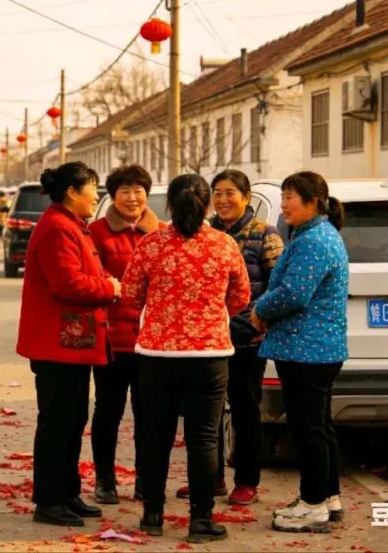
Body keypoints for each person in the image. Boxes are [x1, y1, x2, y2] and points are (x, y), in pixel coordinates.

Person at [121, 173, 250, 542]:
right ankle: (201, 520)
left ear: (169, 205)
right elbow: (240, 297)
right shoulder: (224, 244)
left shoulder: (150, 244)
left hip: (157, 355)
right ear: (207, 205)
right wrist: (210, 313)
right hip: (209, 355)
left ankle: (152, 515)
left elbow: (130, 295)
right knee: (204, 438)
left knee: (156, 435)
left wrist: (161, 310)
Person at [17, 162, 121, 528]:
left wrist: (106, 279)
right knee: (57, 424)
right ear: (72, 192)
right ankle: (49, 500)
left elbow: (85, 271)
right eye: (92, 187)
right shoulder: (57, 228)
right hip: (56, 345)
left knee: (73, 420)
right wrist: (109, 288)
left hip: (72, 343)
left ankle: (67, 493)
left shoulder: (72, 225)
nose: (97, 195)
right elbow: (68, 284)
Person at [172, 170, 284, 505]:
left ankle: (247, 480)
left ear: (246, 197)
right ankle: (211, 478)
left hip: (246, 339)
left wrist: (257, 320)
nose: (223, 200)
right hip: (206, 339)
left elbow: (277, 284)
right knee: (204, 413)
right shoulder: (203, 231)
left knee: (245, 411)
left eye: (230, 193)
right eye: (217, 193)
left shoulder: (264, 233)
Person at [251, 171, 348, 533]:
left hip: (308, 350)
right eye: (283, 197)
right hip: (315, 348)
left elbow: (294, 293)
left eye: (289, 197)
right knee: (319, 426)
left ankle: (313, 504)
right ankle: (328, 497)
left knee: (308, 429)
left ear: (313, 201)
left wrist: (260, 310)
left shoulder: (314, 240)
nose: (284, 205)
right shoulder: (314, 234)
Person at [87, 165, 164, 505]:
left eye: (138, 191)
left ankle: (146, 480)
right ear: (112, 196)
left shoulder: (162, 233)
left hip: (152, 341)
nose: (132, 198)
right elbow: (95, 276)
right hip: (112, 339)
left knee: (150, 415)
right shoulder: (96, 233)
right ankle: (105, 480)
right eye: (124, 191)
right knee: (108, 412)